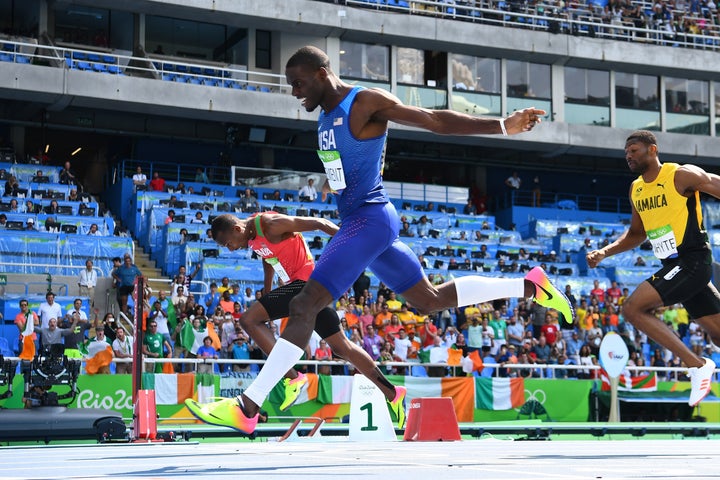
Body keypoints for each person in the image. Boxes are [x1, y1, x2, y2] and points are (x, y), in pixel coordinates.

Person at [185, 46, 571, 436]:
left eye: (298, 83)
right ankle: (529, 285)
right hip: (362, 222)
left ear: (321, 74)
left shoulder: (364, 102)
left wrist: (502, 125)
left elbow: (435, 120)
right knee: (428, 300)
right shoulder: (324, 117)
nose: (294, 91)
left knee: (304, 303)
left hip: (369, 219)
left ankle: (247, 407)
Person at [186, 212, 409, 424]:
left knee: (248, 320)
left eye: (228, 244)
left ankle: (293, 377)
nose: (231, 249)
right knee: (342, 348)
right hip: (304, 289)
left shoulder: (270, 224)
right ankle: (393, 393)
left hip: (306, 284)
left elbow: (319, 223)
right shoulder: (252, 238)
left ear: (237, 228)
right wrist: (267, 289)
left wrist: (353, 244)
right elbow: (268, 257)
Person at [586, 130, 718, 407]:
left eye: (634, 150)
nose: (628, 156)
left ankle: (697, 365)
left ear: (653, 150)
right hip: (675, 266)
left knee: (632, 308)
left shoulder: (680, 175)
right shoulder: (637, 189)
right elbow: (636, 234)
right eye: (626, 152)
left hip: (693, 260)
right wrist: (605, 252)